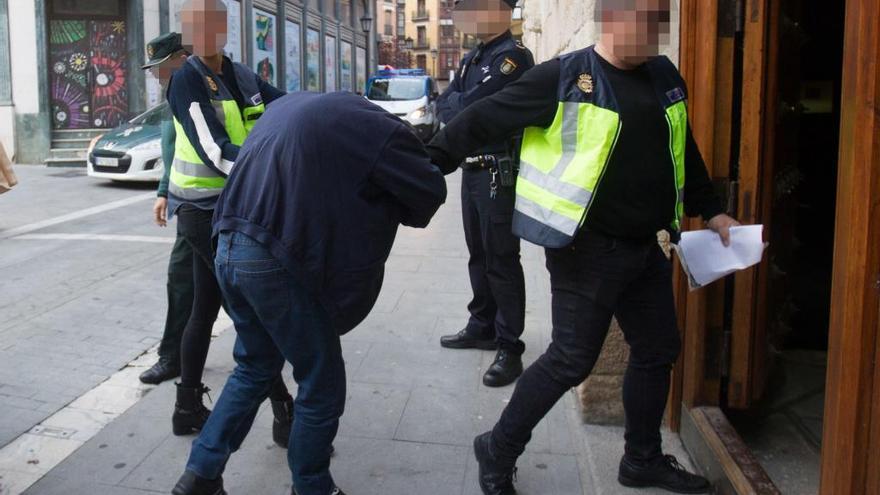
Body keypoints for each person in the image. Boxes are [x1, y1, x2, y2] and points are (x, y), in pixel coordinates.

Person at [426, 0, 740, 493]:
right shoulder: (565, 76)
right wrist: (429, 165)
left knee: (658, 350)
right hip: (585, 248)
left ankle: (641, 459)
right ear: (611, 20)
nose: (653, 33)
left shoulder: (663, 75)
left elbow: (683, 147)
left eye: (661, 22)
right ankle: (498, 446)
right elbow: (483, 117)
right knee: (571, 360)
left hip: (644, 247)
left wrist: (712, 207)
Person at [171, 91, 447, 495]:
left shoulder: (296, 106)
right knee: (321, 380)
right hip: (272, 257)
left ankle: (200, 475)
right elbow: (427, 194)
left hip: (228, 243)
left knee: (253, 366)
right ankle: (312, 485)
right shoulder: (385, 132)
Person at [166, 0, 293, 447]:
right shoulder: (186, 80)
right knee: (251, 310)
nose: (204, 31)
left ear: (224, 26)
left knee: (205, 307)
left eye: (212, 21)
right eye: (194, 24)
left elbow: (284, 106)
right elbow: (213, 149)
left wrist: (327, 109)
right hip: (203, 214)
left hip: (235, 206)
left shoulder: (240, 76)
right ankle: (283, 407)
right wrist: (268, 168)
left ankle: (186, 407)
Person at [436, 0, 534, 388]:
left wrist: (460, 103)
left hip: (498, 171)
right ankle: (482, 325)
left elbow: (473, 106)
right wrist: (460, 103)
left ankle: (510, 344)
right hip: (472, 168)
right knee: (478, 252)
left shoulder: (513, 59)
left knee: (502, 258)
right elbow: (448, 105)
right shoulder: (473, 58)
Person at [138, 32, 193, 386]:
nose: (157, 75)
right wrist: (163, 190)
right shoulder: (174, 94)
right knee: (186, 281)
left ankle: (172, 357)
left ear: (181, 58)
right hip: (188, 201)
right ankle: (174, 356)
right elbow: (170, 145)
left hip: (217, 201)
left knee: (198, 281)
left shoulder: (207, 88)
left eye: (162, 67)